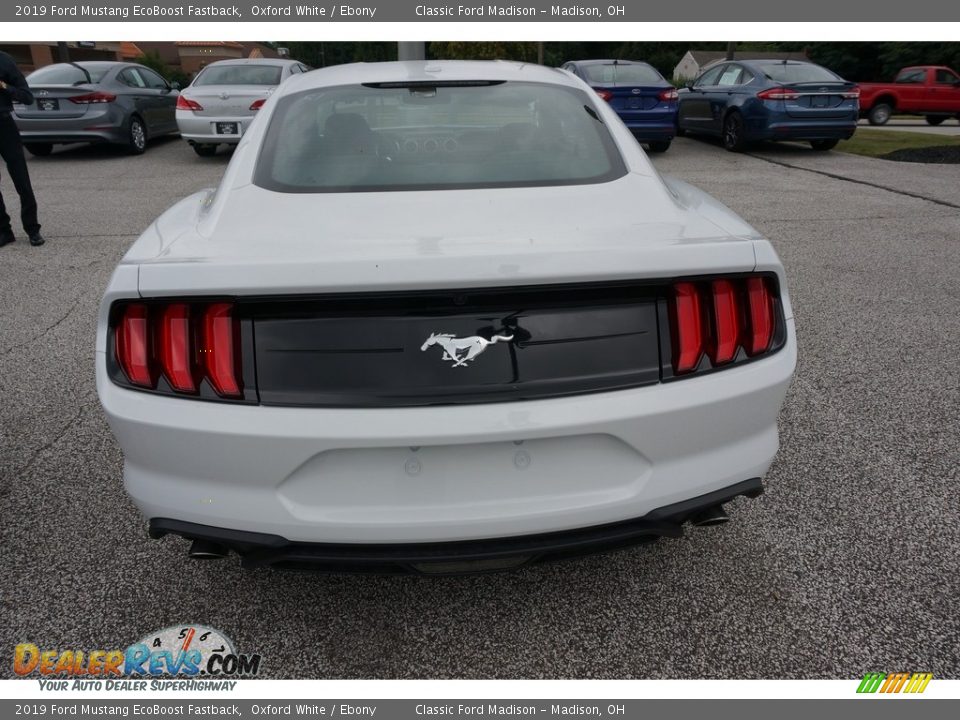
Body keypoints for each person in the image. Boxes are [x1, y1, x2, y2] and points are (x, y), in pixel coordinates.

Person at [0, 50, 43, 247]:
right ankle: (4, 231)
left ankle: (32, 229)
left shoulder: (5, 60)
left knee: (21, 180)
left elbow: (27, 97)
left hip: (4, 125)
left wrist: (4, 86)